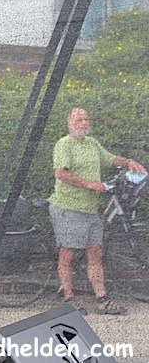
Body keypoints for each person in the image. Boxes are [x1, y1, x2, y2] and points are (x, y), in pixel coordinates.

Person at [48, 107, 146, 315]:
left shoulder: (92, 144)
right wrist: (89, 184)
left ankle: (102, 299)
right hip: (68, 207)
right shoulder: (64, 144)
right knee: (68, 253)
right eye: (79, 120)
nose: (84, 123)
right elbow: (61, 173)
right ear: (69, 124)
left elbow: (110, 159)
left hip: (90, 209)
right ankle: (69, 299)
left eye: (86, 119)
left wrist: (129, 163)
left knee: (95, 252)